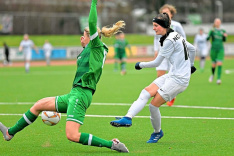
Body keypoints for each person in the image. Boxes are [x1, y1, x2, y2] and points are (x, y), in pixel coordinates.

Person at [0, 0, 129, 153]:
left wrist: (94, 2)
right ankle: (10, 132)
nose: (81, 38)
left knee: (72, 135)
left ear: (91, 37)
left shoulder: (96, 46)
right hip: (74, 94)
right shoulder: (89, 51)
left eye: (83, 36)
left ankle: (112, 144)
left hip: (81, 94)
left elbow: (92, 21)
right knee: (39, 105)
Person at [110, 12, 196, 143]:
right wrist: (191, 65)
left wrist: (140, 64)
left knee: (153, 106)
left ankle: (157, 132)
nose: (153, 28)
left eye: (156, 25)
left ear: (163, 26)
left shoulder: (168, 40)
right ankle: (128, 118)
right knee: (146, 92)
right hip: (172, 75)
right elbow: (193, 49)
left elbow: (156, 62)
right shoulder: (175, 34)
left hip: (179, 80)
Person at [154, 4, 186, 106]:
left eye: (167, 12)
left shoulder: (177, 25)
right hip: (162, 52)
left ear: (171, 14)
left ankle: (171, 95)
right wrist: (155, 50)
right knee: (160, 75)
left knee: (172, 76)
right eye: (163, 13)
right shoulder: (159, 24)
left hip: (174, 54)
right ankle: (161, 95)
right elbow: (156, 38)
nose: (164, 14)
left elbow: (183, 37)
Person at [207, 18, 227, 85]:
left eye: (219, 22)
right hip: (213, 49)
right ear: (214, 23)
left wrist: (224, 36)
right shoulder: (212, 30)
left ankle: (218, 79)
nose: (218, 23)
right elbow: (207, 38)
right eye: (216, 22)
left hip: (220, 49)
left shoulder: (223, 31)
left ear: (220, 23)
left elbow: (224, 40)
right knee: (213, 64)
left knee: (219, 63)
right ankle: (212, 75)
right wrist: (210, 34)